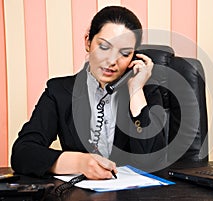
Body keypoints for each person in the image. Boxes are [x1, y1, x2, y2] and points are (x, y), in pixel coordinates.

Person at [11, 6, 166, 179]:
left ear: (134, 57)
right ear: (87, 42)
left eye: (124, 53)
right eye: (104, 47)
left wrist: (136, 91)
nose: (112, 61)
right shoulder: (59, 92)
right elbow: (22, 153)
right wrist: (79, 162)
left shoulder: (146, 91)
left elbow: (155, 163)